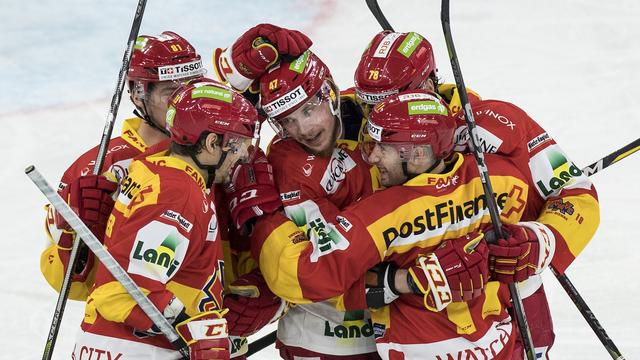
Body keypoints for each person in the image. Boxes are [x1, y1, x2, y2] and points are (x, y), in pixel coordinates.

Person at [234, 89, 598, 359]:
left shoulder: (380, 213)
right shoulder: (503, 177)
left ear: (420, 152)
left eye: (383, 146)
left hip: (455, 339)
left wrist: (266, 217)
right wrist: (538, 239)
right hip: (493, 343)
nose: (370, 154)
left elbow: (301, 273)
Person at [352, 30, 600, 358]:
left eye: (383, 103)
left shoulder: (489, 124)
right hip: (405, 318)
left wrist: (540, 240)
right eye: (366, 104)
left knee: (535, 344)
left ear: (426, 87)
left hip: (502, 300)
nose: (373, 118)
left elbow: (576, 194)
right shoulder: (354, 124)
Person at [215, 25, 383, 358]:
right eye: (286, 121)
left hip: (396, 331)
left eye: (308, 110)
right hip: (322, 339)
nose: (303, 129)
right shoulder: (287, 161)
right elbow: (328, 262)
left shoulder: (376, 114)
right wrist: (237, 82)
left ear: (330, 93)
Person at [73, 78, 258, 359]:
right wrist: (194, 332)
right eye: (238, 144)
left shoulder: (161, 169)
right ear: (210, 143)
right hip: (135, 351)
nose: (244, 155)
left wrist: (210, 327)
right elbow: (122, 289)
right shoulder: (178, 193)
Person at [41, 31, 205, 301]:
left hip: (208, 330)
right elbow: (70, 285)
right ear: (138, 93)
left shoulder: (217, 150)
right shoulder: (94, 169)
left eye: (191, 87)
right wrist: (75, 236)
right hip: (137, 328)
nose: (186, 102)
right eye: (171, 91)